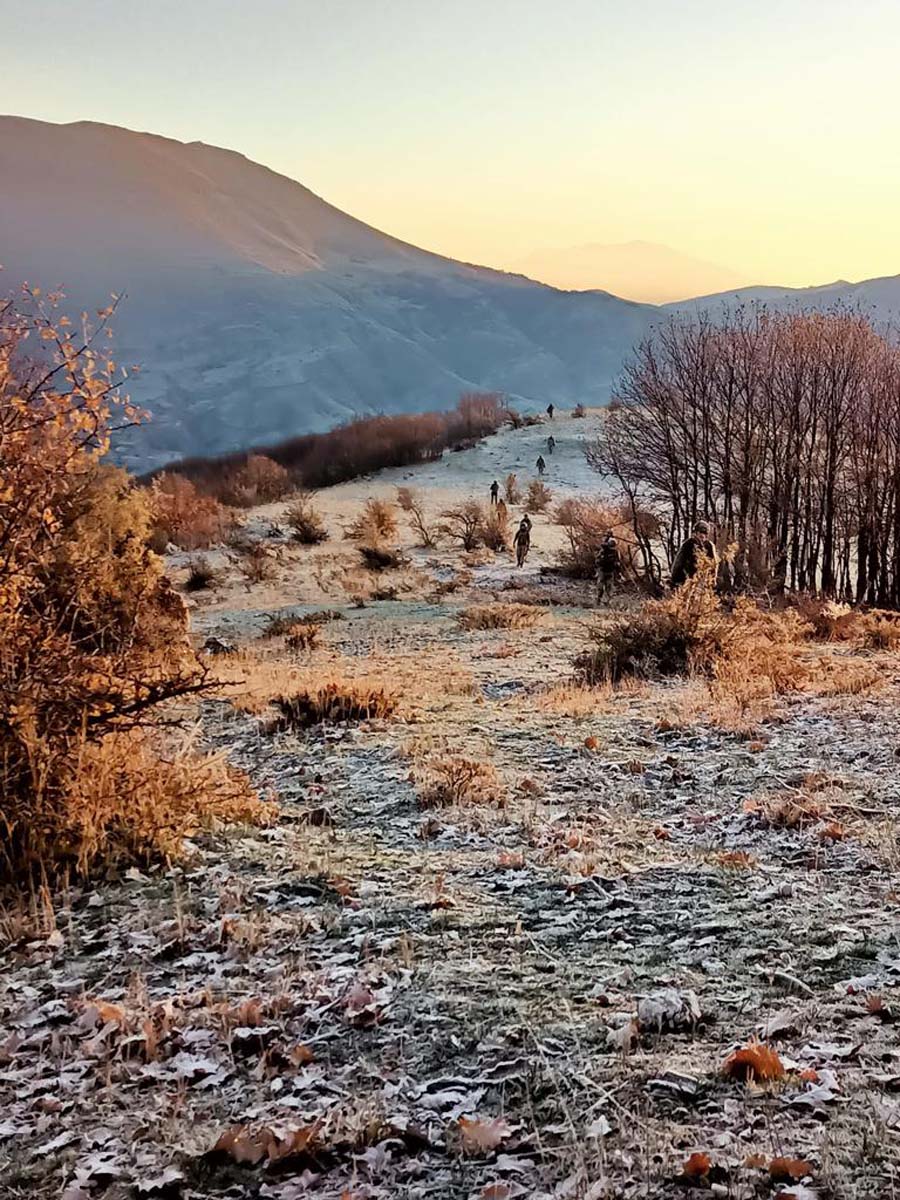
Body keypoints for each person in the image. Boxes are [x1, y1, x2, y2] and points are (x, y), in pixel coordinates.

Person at [670, 521, 717, 587]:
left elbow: (713, 564)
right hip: (687, 580)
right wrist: (675, 579)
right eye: (700, 532)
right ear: (695, 533)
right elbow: (679, 562)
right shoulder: (688, 545)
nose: (702, 535)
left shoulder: (709, 546)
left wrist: (713, 579)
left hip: (703, 580)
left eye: (705, 533)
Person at [596, 531, 621, 604]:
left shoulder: (615, 552)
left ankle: (608, 601)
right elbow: (598, 560)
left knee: (608, 587)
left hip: (609, 571)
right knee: (601, 587)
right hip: (602, 570)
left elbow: (618, 562)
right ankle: (599, 599)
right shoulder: (604, 550)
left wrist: (618, 572)